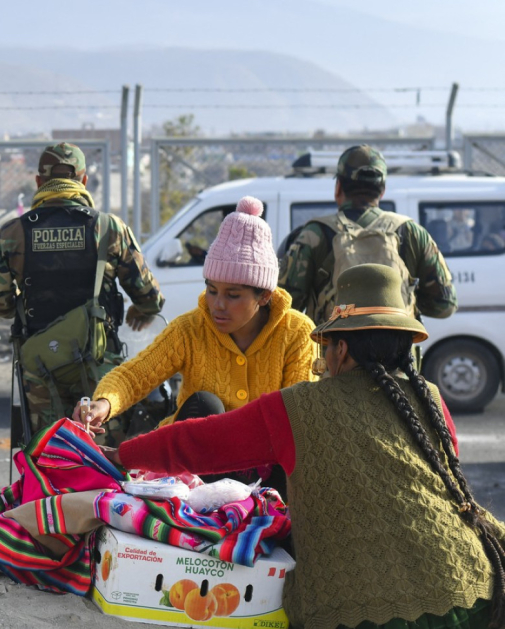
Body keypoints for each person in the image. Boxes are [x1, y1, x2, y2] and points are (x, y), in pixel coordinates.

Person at [101, 264, 505, 629]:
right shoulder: (430, 398)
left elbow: (196, 442)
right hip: (475, 586)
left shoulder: (298, 407)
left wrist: (122, 455)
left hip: (369, 612)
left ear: (341, 349)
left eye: (326, 348)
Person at [77, 197, 314, 476]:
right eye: (212, 290)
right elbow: (136, 374)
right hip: (198, 470)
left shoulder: (297, 333)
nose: (217, 304)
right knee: (205, 404)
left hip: (265, 469)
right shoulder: (191, 328)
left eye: (233, 295)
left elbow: (299, 419)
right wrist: (104, 403)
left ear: (264, 296)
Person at [0, 142, 164, 442]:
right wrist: (141, 311)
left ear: (39, 181)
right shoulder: (108, 228)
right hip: (99, 364)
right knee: (104, 460)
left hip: (39, 366)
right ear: (83, 180)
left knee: (49, 456)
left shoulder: (13, 233)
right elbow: (149, 295)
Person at [279, 144, 457, 325]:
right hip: (399, 351)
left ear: (338, 187)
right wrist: (403, 300)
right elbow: (445, 304)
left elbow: (283, 304)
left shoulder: (313, 234)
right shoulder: (413, 233)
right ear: (382, 190)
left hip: (334, 351)